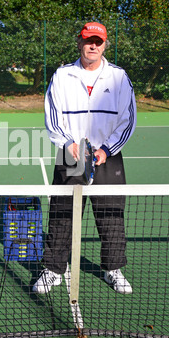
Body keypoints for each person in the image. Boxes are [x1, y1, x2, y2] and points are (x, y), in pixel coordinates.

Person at [33, 22, 137, 295]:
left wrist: (107, 149)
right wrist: (68, 143)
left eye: (98, 41)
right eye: (88, 40)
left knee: (111, 216)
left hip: (107, 158)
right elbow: (53, 115)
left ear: (105, 45)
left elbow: (128, 120)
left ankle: (112, 268)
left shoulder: (119, 77)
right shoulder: (62, 76)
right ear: (79, 43)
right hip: (71, 156)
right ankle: (53, 269)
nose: (93, 45)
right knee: (62, 215)